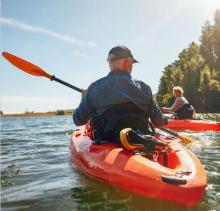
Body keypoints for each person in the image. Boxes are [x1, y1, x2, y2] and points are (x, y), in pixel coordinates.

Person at [73, 45, 167, 142]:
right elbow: (159, 122)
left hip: (107, 143)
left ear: (110, 62)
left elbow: (78, 120)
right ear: (128, 62)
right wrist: (165, 119)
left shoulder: (94, 88)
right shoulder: (144, 88)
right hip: (142, 142)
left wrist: (83, 98)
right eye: (132, 63)